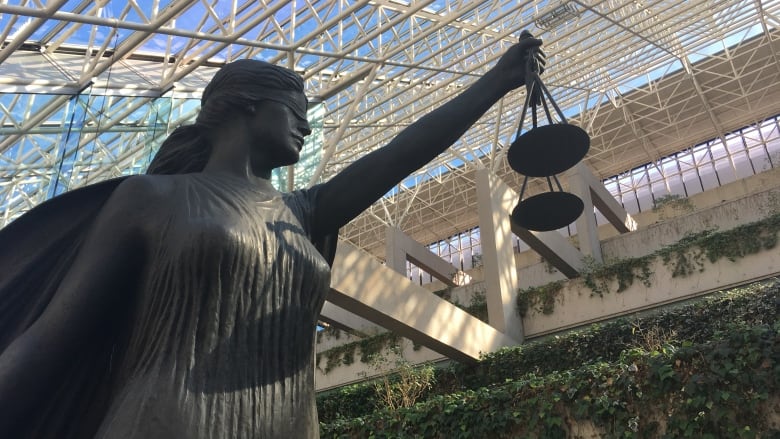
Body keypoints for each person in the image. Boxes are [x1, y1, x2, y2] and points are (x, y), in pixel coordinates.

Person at [0, 35, 543, 438]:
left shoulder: (302, 212)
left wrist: (496, 82)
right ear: (248, 105)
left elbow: (403, 152)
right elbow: (52, 337)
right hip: (167, 423)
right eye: (296, 112)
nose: (306, 126)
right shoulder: (151, 198)